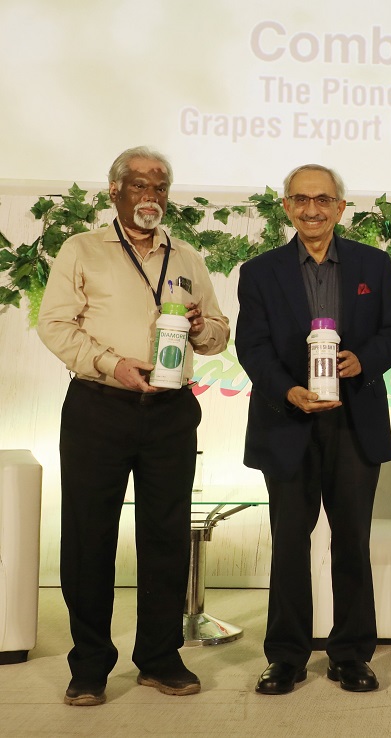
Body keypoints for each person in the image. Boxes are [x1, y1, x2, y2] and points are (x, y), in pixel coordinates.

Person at [37, 146, 230, 706]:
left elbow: (219, 333)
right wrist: (110, 364)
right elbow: (54, 325)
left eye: (160, 186)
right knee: (88, 537)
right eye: (140, 184)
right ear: (115, 191)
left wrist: (202, 328)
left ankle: (160, 657)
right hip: (99, 405)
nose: (151, 195)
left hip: (171, 411)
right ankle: (89, 664)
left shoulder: (187, 256)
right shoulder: (82, 249)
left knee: (166, 536)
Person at [236, 164, 391, 696]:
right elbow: (252, 346)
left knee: (352, 541)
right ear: (287, 206)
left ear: (340, 207)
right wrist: (288, 390)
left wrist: (365, 360)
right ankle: (286, 657)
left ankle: (351, 654)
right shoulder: (260, 271)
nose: (312, 210)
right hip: (288, 420)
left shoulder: (373, 264)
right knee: (289, 542)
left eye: (323, 200)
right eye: (301, 199)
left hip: (354, 421)